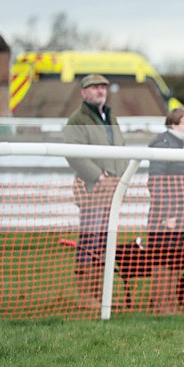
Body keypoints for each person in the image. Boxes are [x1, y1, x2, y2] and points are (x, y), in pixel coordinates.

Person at [63, 74, 127, 310]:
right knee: (90, 241)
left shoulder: (110, 117)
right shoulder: (77, 120)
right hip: (92, 190)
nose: (100, 91)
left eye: (103, 87)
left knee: (105, 242)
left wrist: (120, 179)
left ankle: (100, 294)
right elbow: (73, 153)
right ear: (84, 93)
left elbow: (120, 149)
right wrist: (99, 177)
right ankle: (86, 295)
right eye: (95, 87)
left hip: (113, 191)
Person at [146, 107, 184, 314]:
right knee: (162, 263)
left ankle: (170, 304)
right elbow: (156, 182)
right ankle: (160, 305)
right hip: (165, 217)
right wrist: (167, 214)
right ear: (173, 125)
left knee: (175, 262)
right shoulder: (163, 144)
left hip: (183, 216)